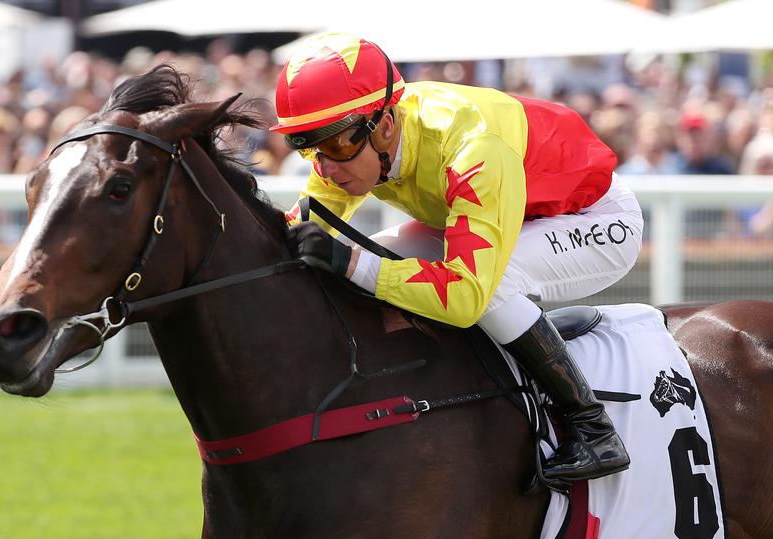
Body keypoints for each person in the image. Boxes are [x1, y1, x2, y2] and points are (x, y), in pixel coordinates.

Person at [272, 32, 643, 489]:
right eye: (305, 146)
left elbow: (465, 295)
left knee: (487, 287)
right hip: (505, 212)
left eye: (334, 146)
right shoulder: (354, 140)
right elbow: (300, 229)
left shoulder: (472, 149)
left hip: (591, 218)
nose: (323, 167)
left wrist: (349, 263)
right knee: (376, 261)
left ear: (385, 124)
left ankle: (591, 426)